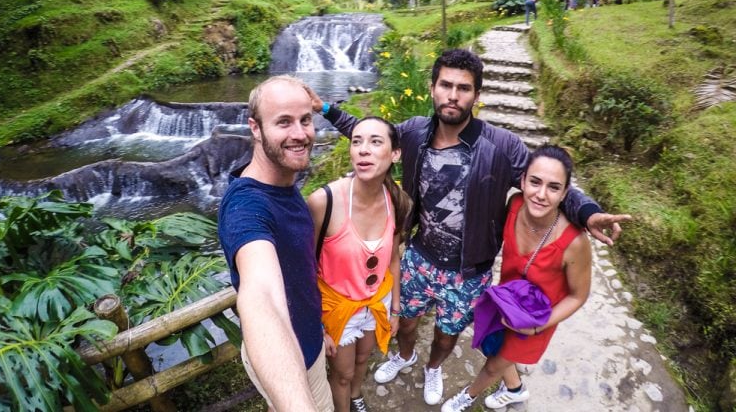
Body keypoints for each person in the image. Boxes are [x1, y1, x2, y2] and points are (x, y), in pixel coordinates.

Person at [313, 49, 628, 406]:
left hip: (470, 270)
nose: (453, 94)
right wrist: (326, 110)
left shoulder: (501, 145)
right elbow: (370, 136)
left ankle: (433, 366)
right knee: (408, 321)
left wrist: (588, 213)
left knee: (447, 335)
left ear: (476, 96)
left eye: (463, 88)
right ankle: (405, 355)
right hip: (420, 255)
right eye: (445, 85)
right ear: (432, 88)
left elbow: (545, 178)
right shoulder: (414, 132)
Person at [440, 145, 592, 411]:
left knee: (492, 365)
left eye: (554, 187)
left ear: (565, 193)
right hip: (506, 300)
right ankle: (515, 389)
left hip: (538, 317)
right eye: (535, 182)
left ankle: (468, 396)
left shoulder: (574, 243)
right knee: (493, 346)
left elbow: (579, 295)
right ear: (522, 181)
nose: (541, 195)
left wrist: (536, 327)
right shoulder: (515, 205)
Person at [218, 75, 334, 412]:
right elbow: (262, 295)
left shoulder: (282, 182)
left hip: (307, 339)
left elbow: (297, 274)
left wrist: (318, 328)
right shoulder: (246, 207)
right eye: (283, 122)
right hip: (289, 357)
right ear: (255, 128)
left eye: (306, 120)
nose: (300, 134)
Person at [309, 116, 412, 412]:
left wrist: (395, 309)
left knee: (363, 360)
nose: (363, 150)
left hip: (375, 303)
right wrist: (318, 327)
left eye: (375, 141)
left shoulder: (399, 201)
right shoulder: (323, 202)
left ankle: (356, 398)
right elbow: (304, 270)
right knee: (342, 374)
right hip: (337, 308)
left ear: (395, 154)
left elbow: (392, 258)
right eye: (357, 141)